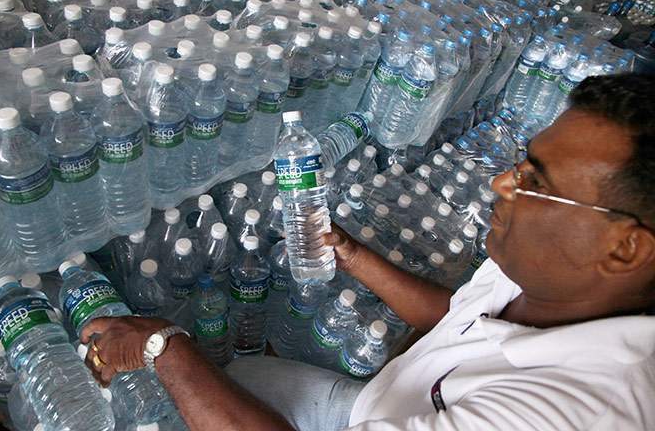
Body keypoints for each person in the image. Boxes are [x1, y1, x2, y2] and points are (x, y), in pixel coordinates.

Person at [82, 74, 655, 430]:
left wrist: (164, 346)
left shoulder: (567, 413)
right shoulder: (556, 273)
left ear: (625, 247)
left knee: (189, 391)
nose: (503, 184)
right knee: (242, 374)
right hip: (391, 404)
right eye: (521, 162)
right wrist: (351, 253)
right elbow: (460, 317)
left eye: (537, 182)